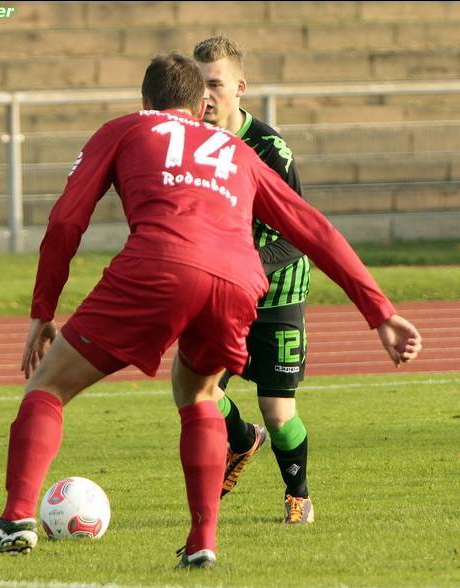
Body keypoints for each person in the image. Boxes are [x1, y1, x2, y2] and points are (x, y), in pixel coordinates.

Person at [0, 53, 421, 572]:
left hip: (159, 265)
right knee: (199, 395)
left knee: (49, 386)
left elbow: (65, 221)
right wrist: (380, 312)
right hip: (238, 281)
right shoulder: (236, 151)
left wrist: (43, 309)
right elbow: (314, 229)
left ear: (146, 101)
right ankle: (201, 542)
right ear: (199, 105)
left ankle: (16, 516)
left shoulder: (125, 129)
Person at [193, 35, 316, 524]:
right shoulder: (191, 143)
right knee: (199, 388)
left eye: (215, 84)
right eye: (198, 85)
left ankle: (299, 495)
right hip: (224, 293)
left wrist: (243, 267)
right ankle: (242, 440)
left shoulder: (270, 150)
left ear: (240, 88)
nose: (205, 96)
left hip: (277, 292)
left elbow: (298, 236)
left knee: (278, 412)